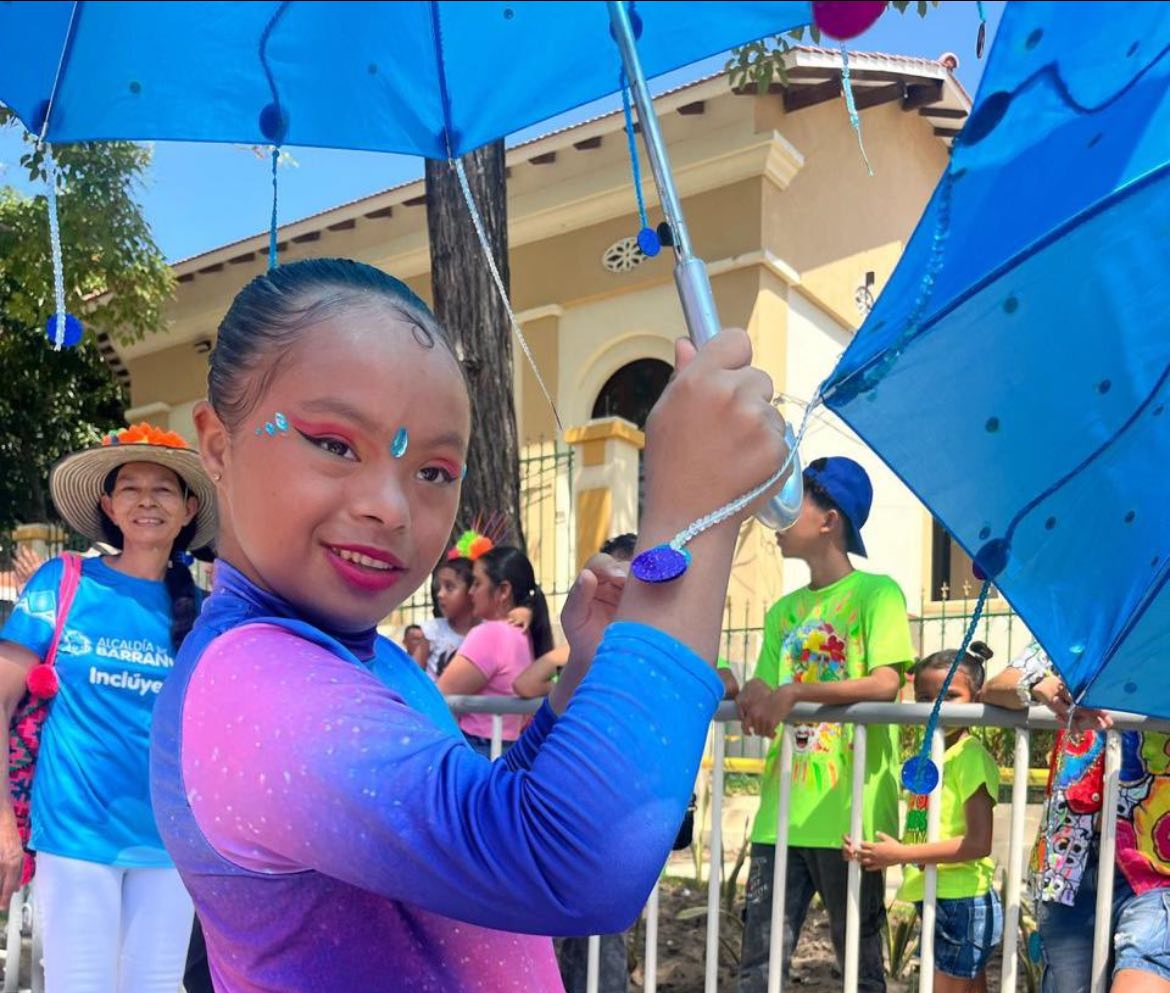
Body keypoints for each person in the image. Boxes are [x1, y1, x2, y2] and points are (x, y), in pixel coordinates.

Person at [148, 257, 787, 992]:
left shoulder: (366, 658)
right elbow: (569, 865)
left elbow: (470, 827)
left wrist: (579, 681)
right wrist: (694, 518)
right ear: (217, 443)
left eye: (434, 472)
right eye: (333, 444)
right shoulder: (250, 685)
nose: (389, 507)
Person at [0, 423, 215, 993]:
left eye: (164, 489)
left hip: (168, 844)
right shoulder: (63, 583)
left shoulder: (205, 614)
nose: (147, 501)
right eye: (131, 488)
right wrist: (2, 823)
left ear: (189, 508)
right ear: (108, 506)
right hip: (74, 836)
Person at [735, 456, 913, 993]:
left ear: (829, 520)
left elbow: (885, 683)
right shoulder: (781, 612)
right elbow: (765, 688)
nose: (777, 521)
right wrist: (751, 690)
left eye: (792, 506)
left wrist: (797, 691)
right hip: (779, 817)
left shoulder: (877, 593)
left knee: (861, 969)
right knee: (756, 968)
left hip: (851, 818)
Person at [845, 643, 1002, 993]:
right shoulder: (930, 755)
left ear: (977, 700)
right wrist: (878, 851)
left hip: (961, 900)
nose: (935, 706)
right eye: (924, 697)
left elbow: (978, 843)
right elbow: (926, 827)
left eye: (950, 696)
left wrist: (902, 854)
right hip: (942, 895)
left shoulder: (969, 757)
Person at [983, 643, 1113, 993]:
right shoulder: (1077, 633)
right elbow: (995, 687)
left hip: (1151, 862)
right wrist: (1036, 684)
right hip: (1069, 854)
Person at [436, 545, 553, 757]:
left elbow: (439, 695)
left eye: (477, 583)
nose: (471, 592)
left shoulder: (491, 633)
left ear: (504, 591)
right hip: (506, 748)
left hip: (478, 747)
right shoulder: (524, 632)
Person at [414, 556, 476, 679]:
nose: (440, 594)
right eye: (439, 587)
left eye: (449, 587)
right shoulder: (432, 630)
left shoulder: (486, 631)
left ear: (471, 591)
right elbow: (414, 673)